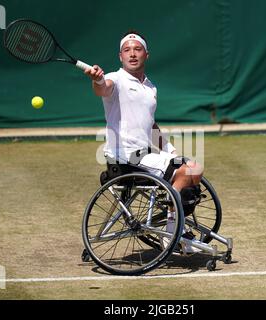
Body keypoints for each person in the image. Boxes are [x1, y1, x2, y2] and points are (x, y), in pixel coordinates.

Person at [84, 30, 203, 252]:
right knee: (190, 170)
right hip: (125, 157)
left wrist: (171, 151)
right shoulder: (115, 79)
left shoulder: (150, 87)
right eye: (126, 50)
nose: (132, 54)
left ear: (146, 55)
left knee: (192, 171)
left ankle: (175, 223)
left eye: (137, 49)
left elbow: (151, 126)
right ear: (120, 56)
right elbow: (102, 88)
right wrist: (97, 79)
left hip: (145, 154)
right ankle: (172, 232)